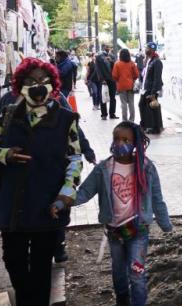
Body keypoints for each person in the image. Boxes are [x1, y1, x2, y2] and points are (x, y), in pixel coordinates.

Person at [0, 58, 83, 306]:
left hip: (47, 206)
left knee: (40, 266)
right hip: (12, 206)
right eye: (30, 81)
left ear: (53, 85)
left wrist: (66, 192)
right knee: (12, 260)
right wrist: (5, 154)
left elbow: (75, 157)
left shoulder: (67, 119)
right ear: (20, 85)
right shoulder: (7, 116)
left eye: (43, 81)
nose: (37, 86)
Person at [54, 121, 172, 306]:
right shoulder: (104, 168)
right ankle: (122, 301)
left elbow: (157, 198)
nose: (120, 143)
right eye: (116, 139)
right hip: (114, 231)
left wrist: (166, 225)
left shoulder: (146, 168)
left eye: (126, 139)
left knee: (137, 274)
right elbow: (85, 191)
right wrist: (63, 201)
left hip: (138, 230)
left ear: (136, 143)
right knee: (118, 273)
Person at [138, 42, 163, 134]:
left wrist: (153, 93)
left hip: (150, 90)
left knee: (152, 107)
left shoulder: (157, 62)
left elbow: (157, 78)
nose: (145, 50)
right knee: (143, 106)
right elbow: (144, 75)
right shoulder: (148, 60)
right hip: (145, 88)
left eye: (147, 48)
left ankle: (154, 127)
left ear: (151, 50)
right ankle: (146, 125)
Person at [112, 49, 140, 122]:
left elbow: (114, 76)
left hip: (121, 86)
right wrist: (132, 79)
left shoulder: (117, 64)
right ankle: (132, 119)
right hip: (130, 85)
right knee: (131, 103)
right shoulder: (132, 63)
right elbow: (137, 74)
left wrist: (119, 80)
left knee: (123, 103)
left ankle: (124, 120)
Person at [95, 44, 118, 120]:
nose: (108, 48)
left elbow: (116, 66)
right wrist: (102, 79)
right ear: (104, 47)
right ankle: (104, 114)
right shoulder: (99, 57)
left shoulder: (112, 56)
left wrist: (111, 61)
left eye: (109, 47)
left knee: (113, 97)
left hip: (112, 79)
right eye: (107, 47)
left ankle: (112, 114)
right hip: (104, 79)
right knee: (103, 97)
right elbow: (98, 69)